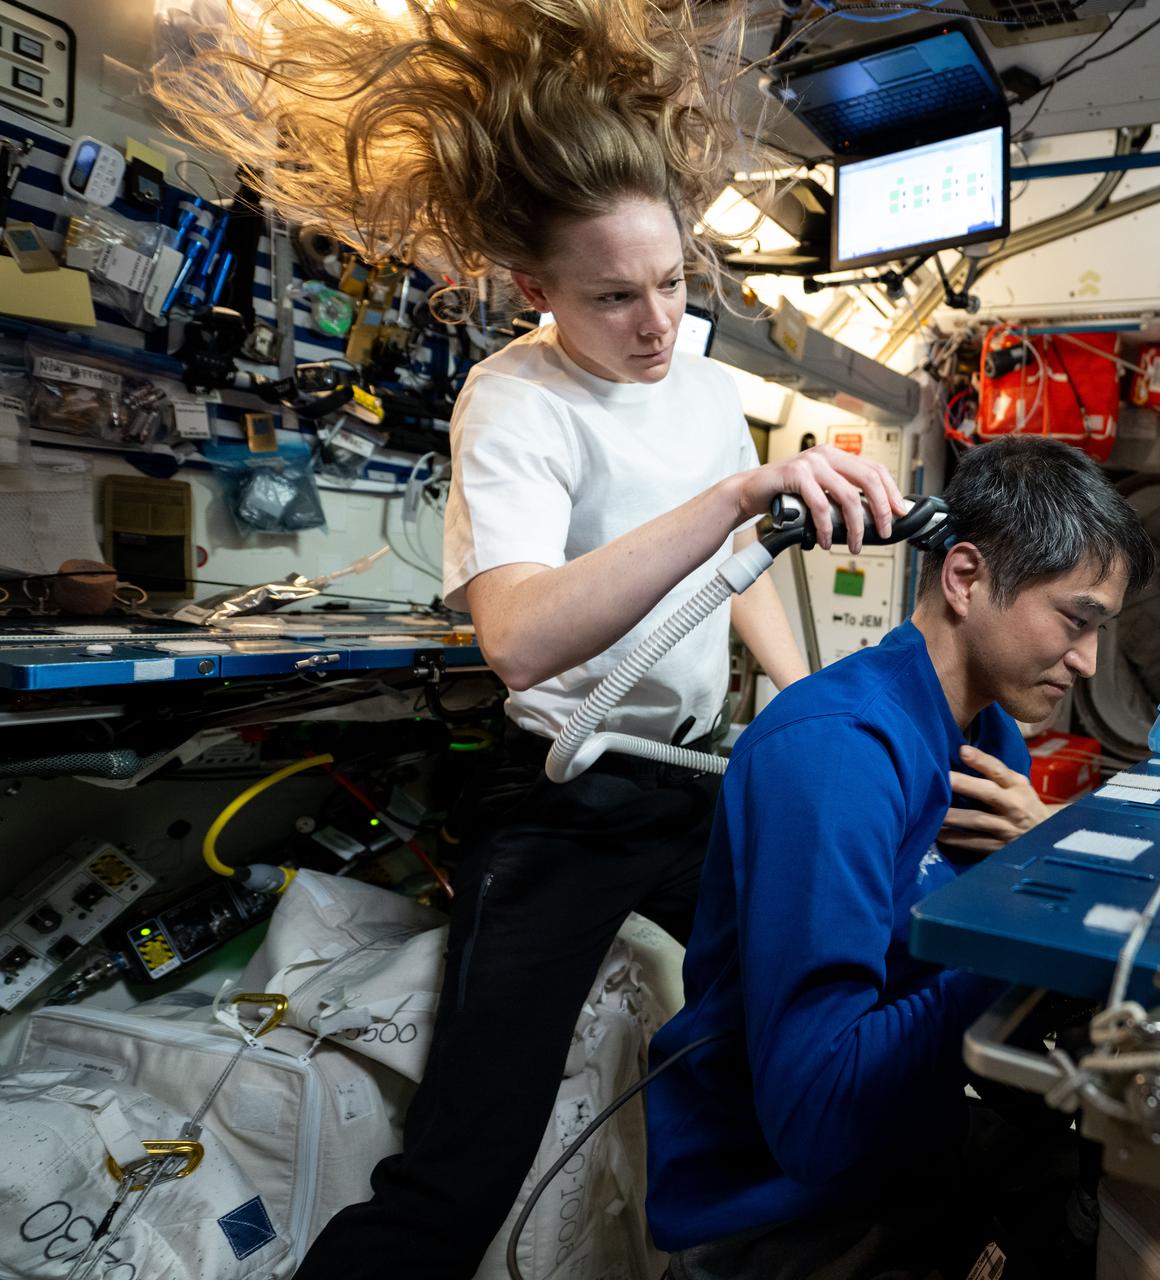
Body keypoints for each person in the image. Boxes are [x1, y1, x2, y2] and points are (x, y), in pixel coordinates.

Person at [148, 2, 968, 1274]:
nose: (653, 323)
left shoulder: (695, 380)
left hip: (699, 776)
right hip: (566, 790)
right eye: (613, 296)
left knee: (840, 987)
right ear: (536, 290)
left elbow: (732, 573)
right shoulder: (516, 399)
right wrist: (738, 494)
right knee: (468, 1153)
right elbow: (521, 639)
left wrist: (800, 706)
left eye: (672, 284)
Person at [645, 436, 1157, 1280]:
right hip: (785, 1208)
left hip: (912, 1143)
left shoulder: (986, 736)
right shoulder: (839, 754)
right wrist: (1034, 919)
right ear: (965, 578)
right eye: (1076, 620)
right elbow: (818, 1113)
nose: (1088, 661)